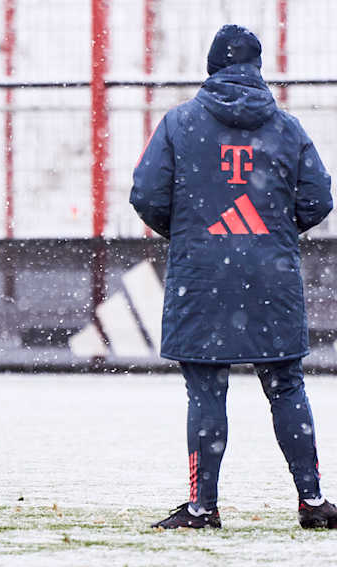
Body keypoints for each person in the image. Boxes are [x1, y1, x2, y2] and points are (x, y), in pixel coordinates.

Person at [131, 25, 335, 530]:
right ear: (257, 67)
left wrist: (190, 234)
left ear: (212, 66)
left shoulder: (180, 124)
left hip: (200, 276)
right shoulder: (286, 128)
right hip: (272, 276)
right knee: (286, 385)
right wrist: (272, 236)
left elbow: (147, 195)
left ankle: (203, 508)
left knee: (205, 390)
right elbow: (318, 200)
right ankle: (312, 502)